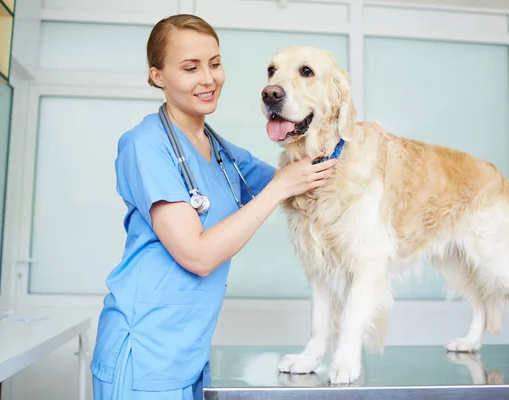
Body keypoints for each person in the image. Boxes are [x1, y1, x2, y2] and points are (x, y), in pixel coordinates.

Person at [89, 13, 338, 399]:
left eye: (215, 63)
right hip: (145, 356)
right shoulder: (145, 146)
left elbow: (298, 178)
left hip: (190, 354)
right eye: (190, 68)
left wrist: (351, 139)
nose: (208, 79)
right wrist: (281, 186)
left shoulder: (221, 152)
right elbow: (198, 255)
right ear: (158, 76)